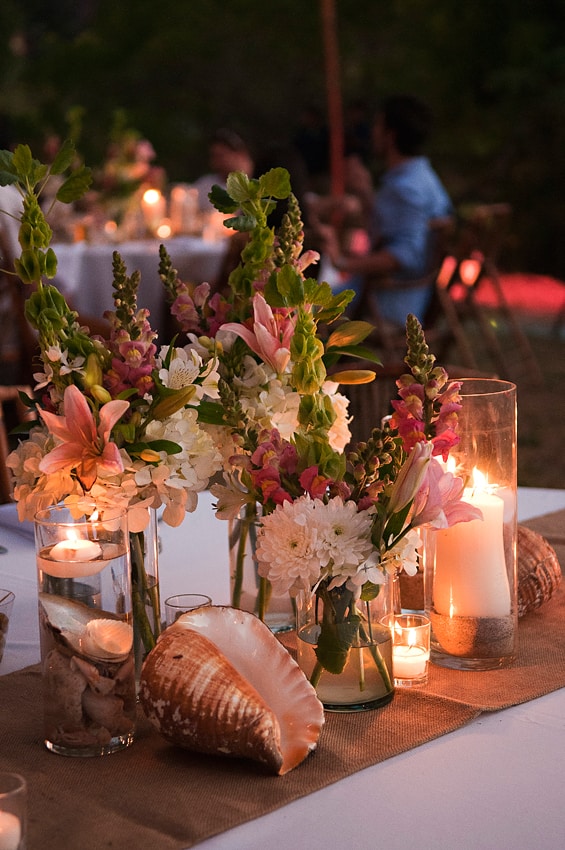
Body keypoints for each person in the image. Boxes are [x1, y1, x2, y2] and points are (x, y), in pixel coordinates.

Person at [318, 94, 453, 327]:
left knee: (297, 311)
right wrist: (365, 193)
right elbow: (392, 231)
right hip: (408, 296)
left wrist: (341, 262)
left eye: (378, 126)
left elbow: (404, 255)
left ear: (390, 135)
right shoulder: (422, 177)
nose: (373, 132)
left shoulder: (406, 189)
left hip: (389, 303)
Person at [193, 129, 254, 213]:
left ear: (240, 155)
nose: (217, 162)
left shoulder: (256, 187)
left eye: (221, 156)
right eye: (214, 156)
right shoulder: (206, 184)